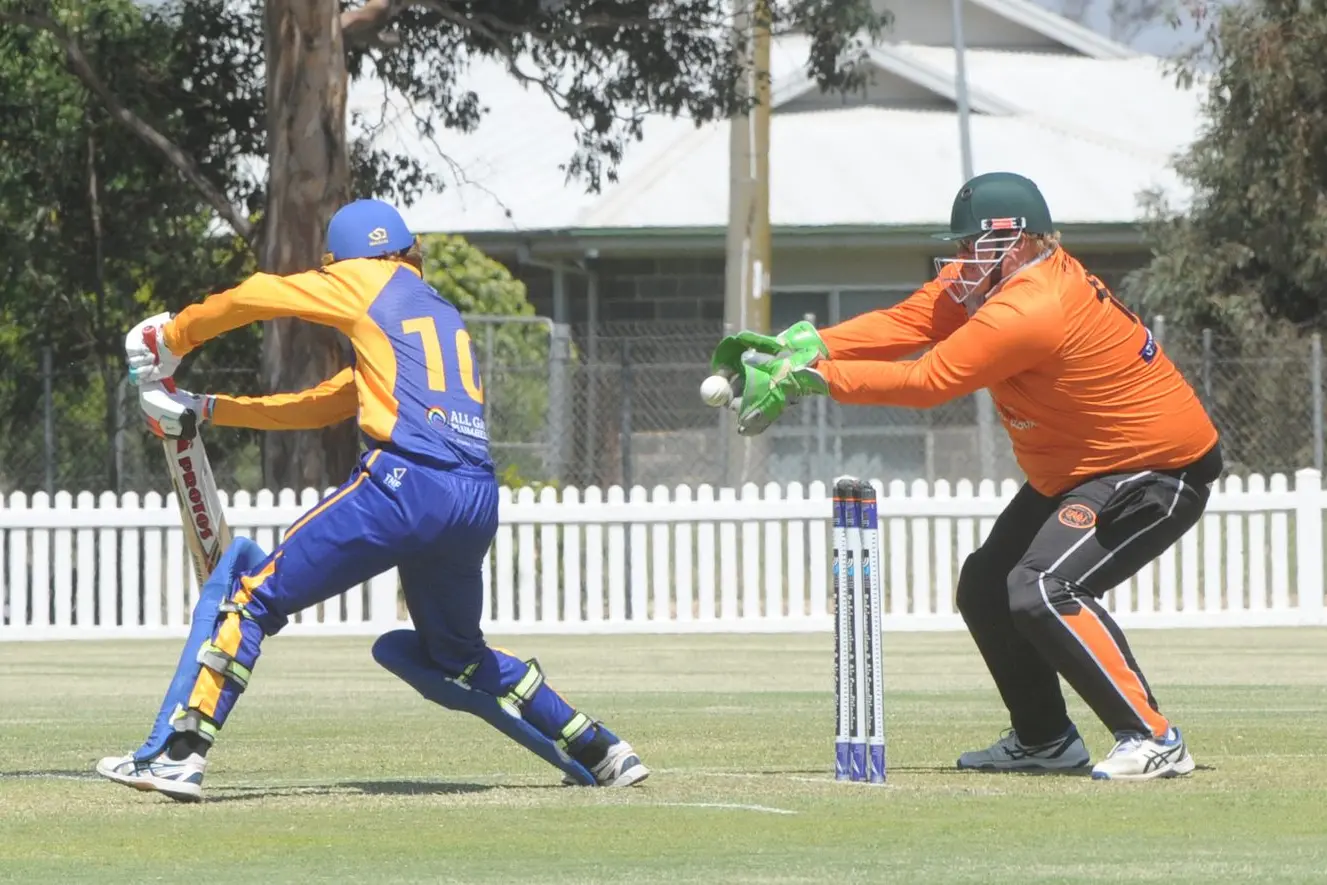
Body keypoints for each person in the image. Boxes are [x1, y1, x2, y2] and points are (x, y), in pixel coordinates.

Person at [96, 199, 648, 801]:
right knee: (458, 653)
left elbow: (256, 294)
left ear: (345, 258)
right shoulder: (437, 313)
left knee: (252, 597)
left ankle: (180, 756)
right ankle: (602, 747)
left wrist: (171, 335)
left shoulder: (361, 278)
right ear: (409, 250)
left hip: (404, 485)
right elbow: (327, 402)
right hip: (474, 500)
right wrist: (208, 408)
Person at [712, 171, 1222, 781]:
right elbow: (911, 321)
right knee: (985, 586)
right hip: (1080, 466)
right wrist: (812, 344)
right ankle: (1045, 740)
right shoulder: (990, 276)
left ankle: (1154, 737)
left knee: (1042, 589)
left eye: (970, 246)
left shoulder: (1032, 306)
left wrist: (814, 379)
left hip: (1156, 467)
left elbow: (930, 380)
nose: (958, 260)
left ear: (1018, 241)